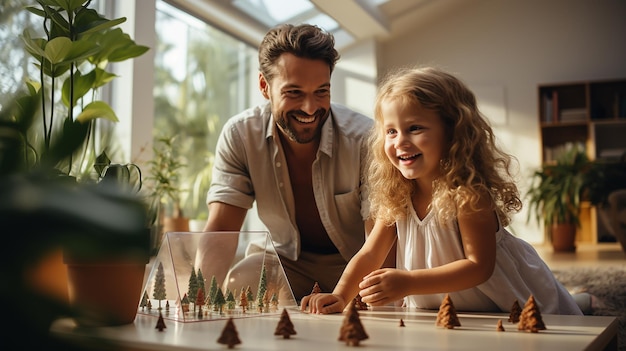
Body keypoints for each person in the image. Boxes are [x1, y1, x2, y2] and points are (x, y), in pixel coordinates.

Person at [301, 66, 583, 315]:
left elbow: (478, 267)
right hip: (443, 309)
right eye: (391, 131)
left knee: (561, 311)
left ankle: (581, 300)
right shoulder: (397, 196)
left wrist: (409, 281)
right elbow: (370, 254)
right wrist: (340, 295)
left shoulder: (467, 194)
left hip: (501, 305)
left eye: (414, 128)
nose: (400, 141)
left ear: (452, 131)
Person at [195, 23, 378, 301]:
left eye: (321, 92)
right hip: (285, 263)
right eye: (294, 92)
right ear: (264, 87)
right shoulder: (240, 135)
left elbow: (381, 240)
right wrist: (196, 300)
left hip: (355, 263)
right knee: (239, 280)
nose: (309, 107)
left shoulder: (365, 138)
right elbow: (222, 228)